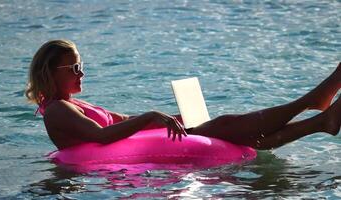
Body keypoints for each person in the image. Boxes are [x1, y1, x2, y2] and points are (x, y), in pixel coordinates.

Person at [25, 39, 340, 151]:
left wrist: (171, 117)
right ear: (51, 72)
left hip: (137, 142)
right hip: (118, 156)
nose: (81, 72)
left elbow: (118, 120)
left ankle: (321, 121)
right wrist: (151, 117)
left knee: (226, 129)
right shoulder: (56, 110)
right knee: (228, 127)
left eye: (81, 65)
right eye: (74, 67)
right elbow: (102, 136)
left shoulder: (72, 103)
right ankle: (313, 102)